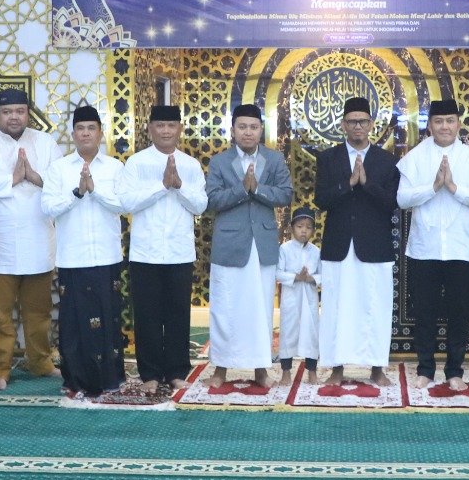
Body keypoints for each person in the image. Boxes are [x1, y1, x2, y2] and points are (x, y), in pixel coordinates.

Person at [397, 98, 469, 391]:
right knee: (424, 312)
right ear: (429, 125)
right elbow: (402, 199)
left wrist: (453, 187)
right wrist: (434, 186)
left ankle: (455, 371)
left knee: (458, 314)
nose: (445, 127)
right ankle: (425, 369)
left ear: (459, 124)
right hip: (424, 248)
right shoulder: (414, 157)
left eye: (450, 120)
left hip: (461, 249)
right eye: (439, 121)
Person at [0, 88, 60, 388]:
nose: (14, 117)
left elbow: (62, 182)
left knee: (39, 313)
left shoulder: (45, 142)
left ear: (28, 113)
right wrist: (13, 179)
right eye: (8, 112)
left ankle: (41, 363)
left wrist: (34, 176)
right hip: (0, 244)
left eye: (20, 111)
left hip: (38, 239)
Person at [116, 104, 207, 393]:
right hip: (146, 253)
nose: (166, 130)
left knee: (179, 313)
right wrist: (161, 186)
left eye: (171, 125)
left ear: (180, 129)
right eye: (160, 125)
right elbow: (127, 203)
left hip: (179, 252)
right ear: (150, 128)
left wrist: (178, 185)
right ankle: (150, 374)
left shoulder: (190, 165)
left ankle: (178, 371)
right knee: (148, 315)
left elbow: (201, 205)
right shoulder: (136, 163)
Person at [40, 104, 127, 399]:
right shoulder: (59, 169)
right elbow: (48, 207)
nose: (86, 133)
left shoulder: (115, 167)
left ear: (100, 133)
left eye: (91, 128)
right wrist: (77, 192)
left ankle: (109, 378)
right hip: (73, 257)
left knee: (108, 318)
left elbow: (124, 205)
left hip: (106, 256)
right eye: (80, 128)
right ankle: (75, 379)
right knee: (75, 322)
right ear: (73, 133)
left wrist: (95, 191)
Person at [313, 96, 400, 387]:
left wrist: (367, 184)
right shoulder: (328, 158)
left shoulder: (387, 161)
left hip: (374, 247)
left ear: (372, 124)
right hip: (339, 246)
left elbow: (392, 203)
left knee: (375, 307)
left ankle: (377, 368)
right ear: (343, 125)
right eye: (352, 121)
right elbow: (321, 200)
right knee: (336, 308)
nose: (358, 126)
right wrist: (347, 184)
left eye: (363, 121)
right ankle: (336, 368)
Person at [204, 103, 292, 389]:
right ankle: (221, 367)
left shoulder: (275, 159)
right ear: (232, 130)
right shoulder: (219, 161)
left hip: (263, 244)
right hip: (230, 244)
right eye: (242, 127)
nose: (248, 132)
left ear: (261, 130)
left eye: (253, 127)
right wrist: (243, 189)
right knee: (225, 308)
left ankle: (260, 369)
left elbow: (286, 194)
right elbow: (212, 200)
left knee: (261, 309)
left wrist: (258, 190)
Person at [276, 207, 321, 381]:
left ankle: (312, 372)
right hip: (291, 298)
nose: (304, 230)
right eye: (300, 226)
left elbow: (323, 275)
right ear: (291, 228)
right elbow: (277, 273)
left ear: (313, 231)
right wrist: (295, 277)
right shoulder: (284, 249)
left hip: (309, 298)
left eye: (308, 227)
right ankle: (286, 372)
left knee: (311, 333)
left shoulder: (316, 251)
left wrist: (310, 278)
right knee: (288, 332)